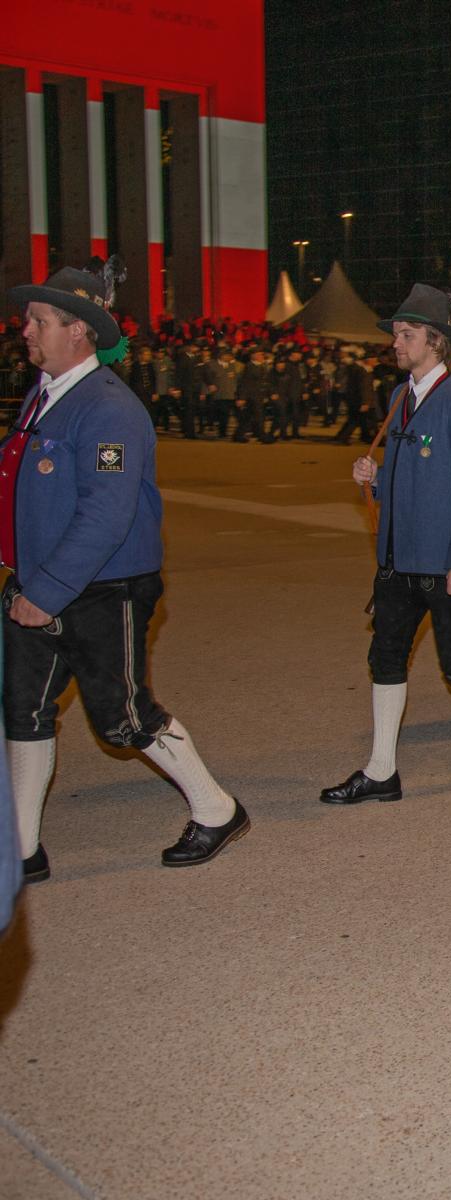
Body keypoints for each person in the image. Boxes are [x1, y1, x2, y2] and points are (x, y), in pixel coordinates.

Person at [5, 261, 247, 880]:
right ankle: (22, 849)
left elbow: (107, 514)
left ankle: (216, 809)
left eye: (38, 321)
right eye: (28, 320)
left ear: (79, 331)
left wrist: (48, 592)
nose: (24, 330)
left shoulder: (109, 409)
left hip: (103, 589)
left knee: (124, 718)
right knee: (24, 709)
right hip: (40, 582)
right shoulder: (43, 397)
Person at [320, 284, 451, 805]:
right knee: (385, 658)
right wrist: (374, 478)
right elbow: (411, 478)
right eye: (396, 333)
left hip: (445, 566)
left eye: (407, 334)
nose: (396, 342)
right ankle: (380, 771)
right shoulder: (399, 399)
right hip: (398, 561)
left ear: (435, 342)